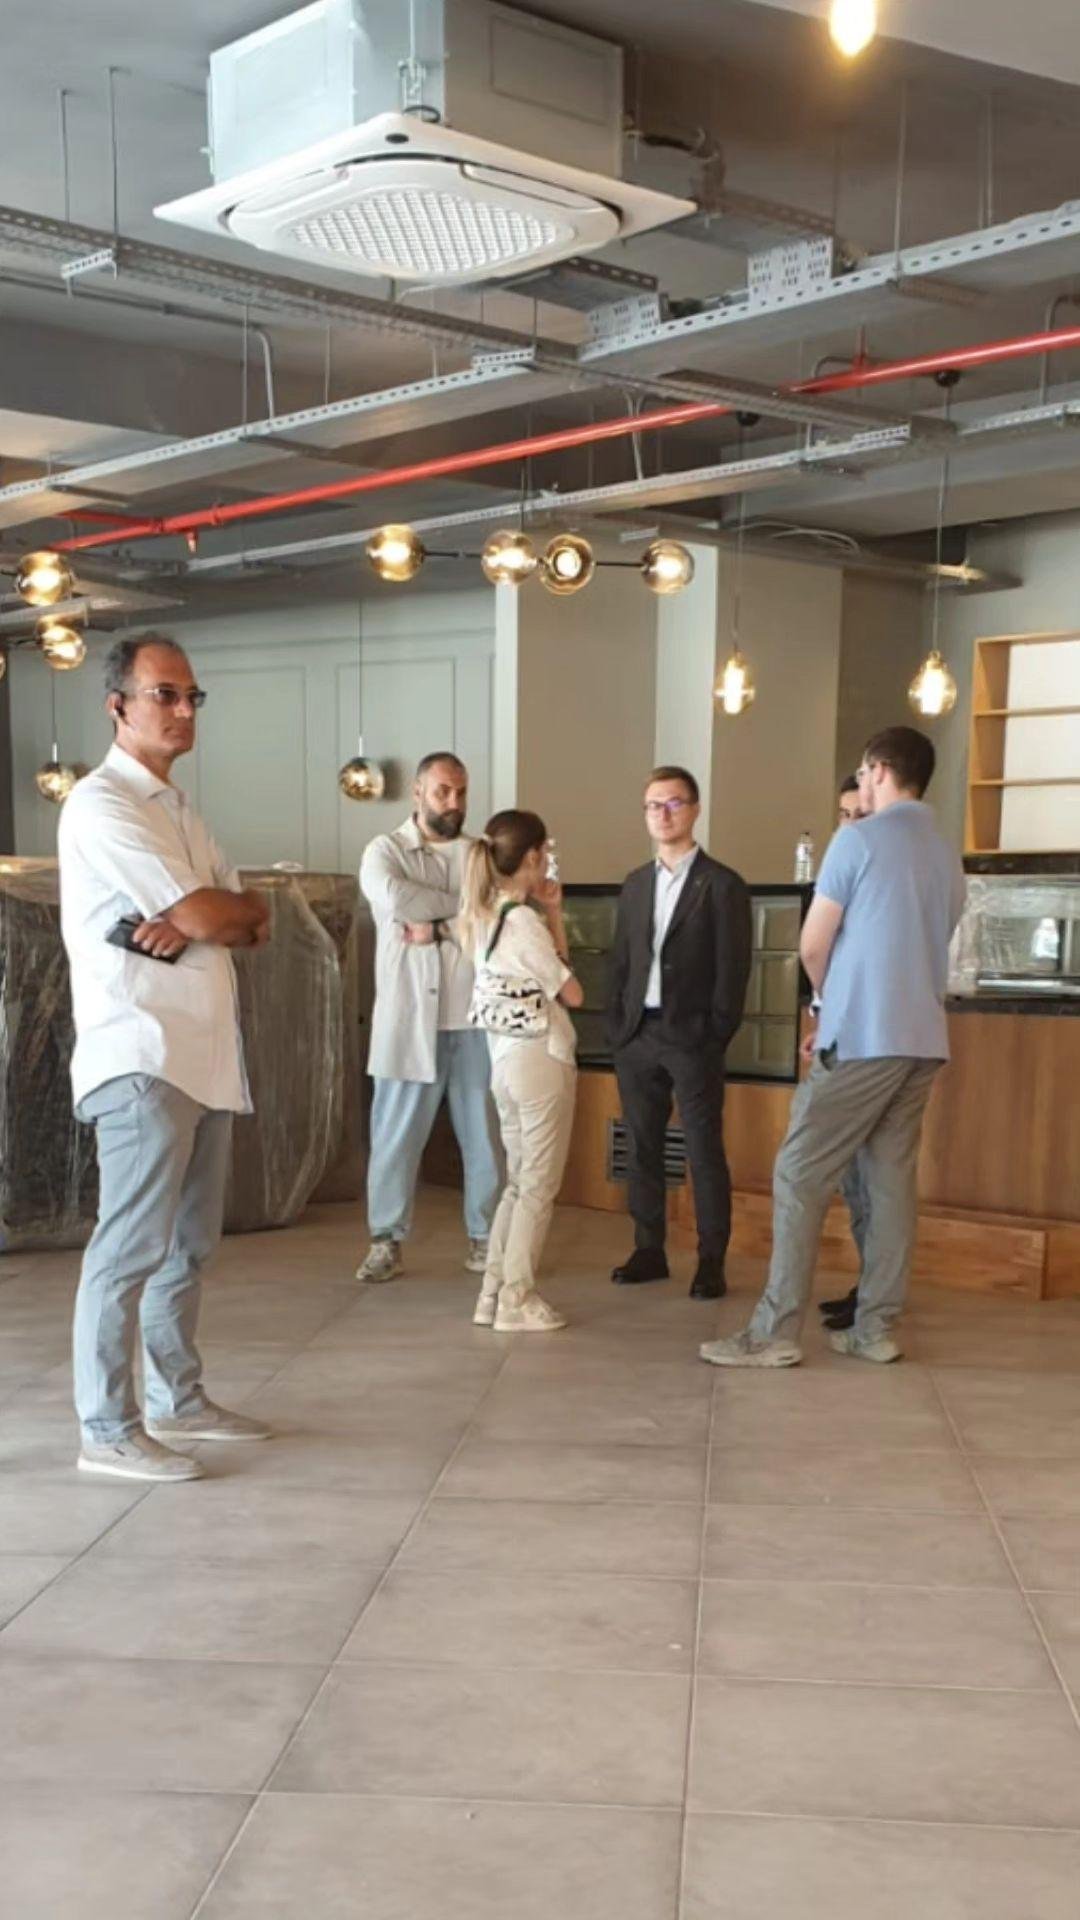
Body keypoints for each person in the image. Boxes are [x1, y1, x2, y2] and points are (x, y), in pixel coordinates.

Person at [58, 633, 273, 1483]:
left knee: (188, 1248)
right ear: (118, 706)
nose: (184, 711)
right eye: (165, 695)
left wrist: (199, 915)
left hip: (205, 1055)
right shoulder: (100, 804)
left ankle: (176, 1399)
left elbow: (253, 917)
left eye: (192, 697)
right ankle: (107, 1427)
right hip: (142, 1053)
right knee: (129, 1248)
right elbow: (217, 913)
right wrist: (202, 913)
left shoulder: (181, 812)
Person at [701, 726, 966, 1371]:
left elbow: (813, 943)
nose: (862, 784)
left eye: (865, 773)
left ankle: (773, 1332)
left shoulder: (857, 839)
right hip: (923, 1040)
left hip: (864, 1035)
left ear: (879, 770)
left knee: (799, 1172)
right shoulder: (945, 853)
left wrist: (827, 1003)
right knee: (890, 1182)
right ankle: (875, 1328)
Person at [608, 766, 752, 1300]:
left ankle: (711, 1259)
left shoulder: (723, 884)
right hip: (637, 1035)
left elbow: (734, 969)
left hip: (692, 1036)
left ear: (694, 810)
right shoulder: (635, 884)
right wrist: (617, 1027)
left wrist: (715, 1032)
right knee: (642, 1145)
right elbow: (622, 960)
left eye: (673, 804)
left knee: (702, 1148)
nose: (662, 814)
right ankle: (649, 1249)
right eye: (653, 805)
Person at [356, 751, 500, 1284]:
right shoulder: (384, 851)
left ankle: (486, 1236)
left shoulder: (480, 854)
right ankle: (385, 1240)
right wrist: (464, 907)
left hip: (473, 1017)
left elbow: (496, 918)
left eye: (461, 792)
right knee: (394, 1137)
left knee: (485, 1136)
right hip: (407, 1019)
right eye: (443, 791)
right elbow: (395, 898)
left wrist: (439, 922)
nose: (454, 802)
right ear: (418, 792)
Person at [459, 810, 584, 1331]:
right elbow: (572, 992)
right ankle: (516, 1297)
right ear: (532, 856)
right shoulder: (523, 922)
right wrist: (552, 916)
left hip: (504, 1062)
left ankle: (492, 1294)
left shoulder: (482, 915)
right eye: (545, 852)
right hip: (541, 1058)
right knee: (537, 1187)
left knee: (517, 1182)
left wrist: (549, 910)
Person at [814, 774, 871, 1331]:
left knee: (871, 1179)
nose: (849, 825)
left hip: (866, 1043)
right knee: (854, 1179)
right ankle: (866, 1289)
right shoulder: (840, 871)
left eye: (859, 815)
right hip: (835, 1036)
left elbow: (821, 954)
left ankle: (874, 1295)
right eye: (843, 814)